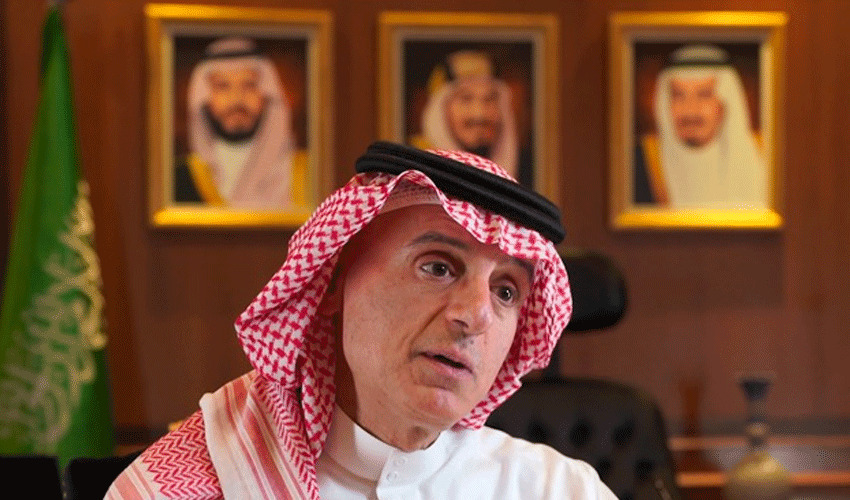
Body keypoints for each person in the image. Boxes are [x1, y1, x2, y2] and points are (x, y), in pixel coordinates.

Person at [107, 141, 616, 499]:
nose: (476, 315)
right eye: (437, 267)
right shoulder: (202, 481)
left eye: (505, 291)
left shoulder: (560, 490)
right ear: (333, 281)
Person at [175, 37, 307, 209]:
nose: (237, 99)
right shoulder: (181, 177)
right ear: (204, 97)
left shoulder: (306, 171)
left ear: (267, 94)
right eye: (222, 86)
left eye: (249, 85)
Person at [634, 44, 768, 209]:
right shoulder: (642, 162)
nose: (690, 109)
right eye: (678, 95)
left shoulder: (766, 157)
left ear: (725, 103)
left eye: (704, 95)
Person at [411, 50, 532, 186]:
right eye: (466, 99)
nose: (479, 114)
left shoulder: (526, 167)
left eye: (489, 99)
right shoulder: (415, 166)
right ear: (442, 108)